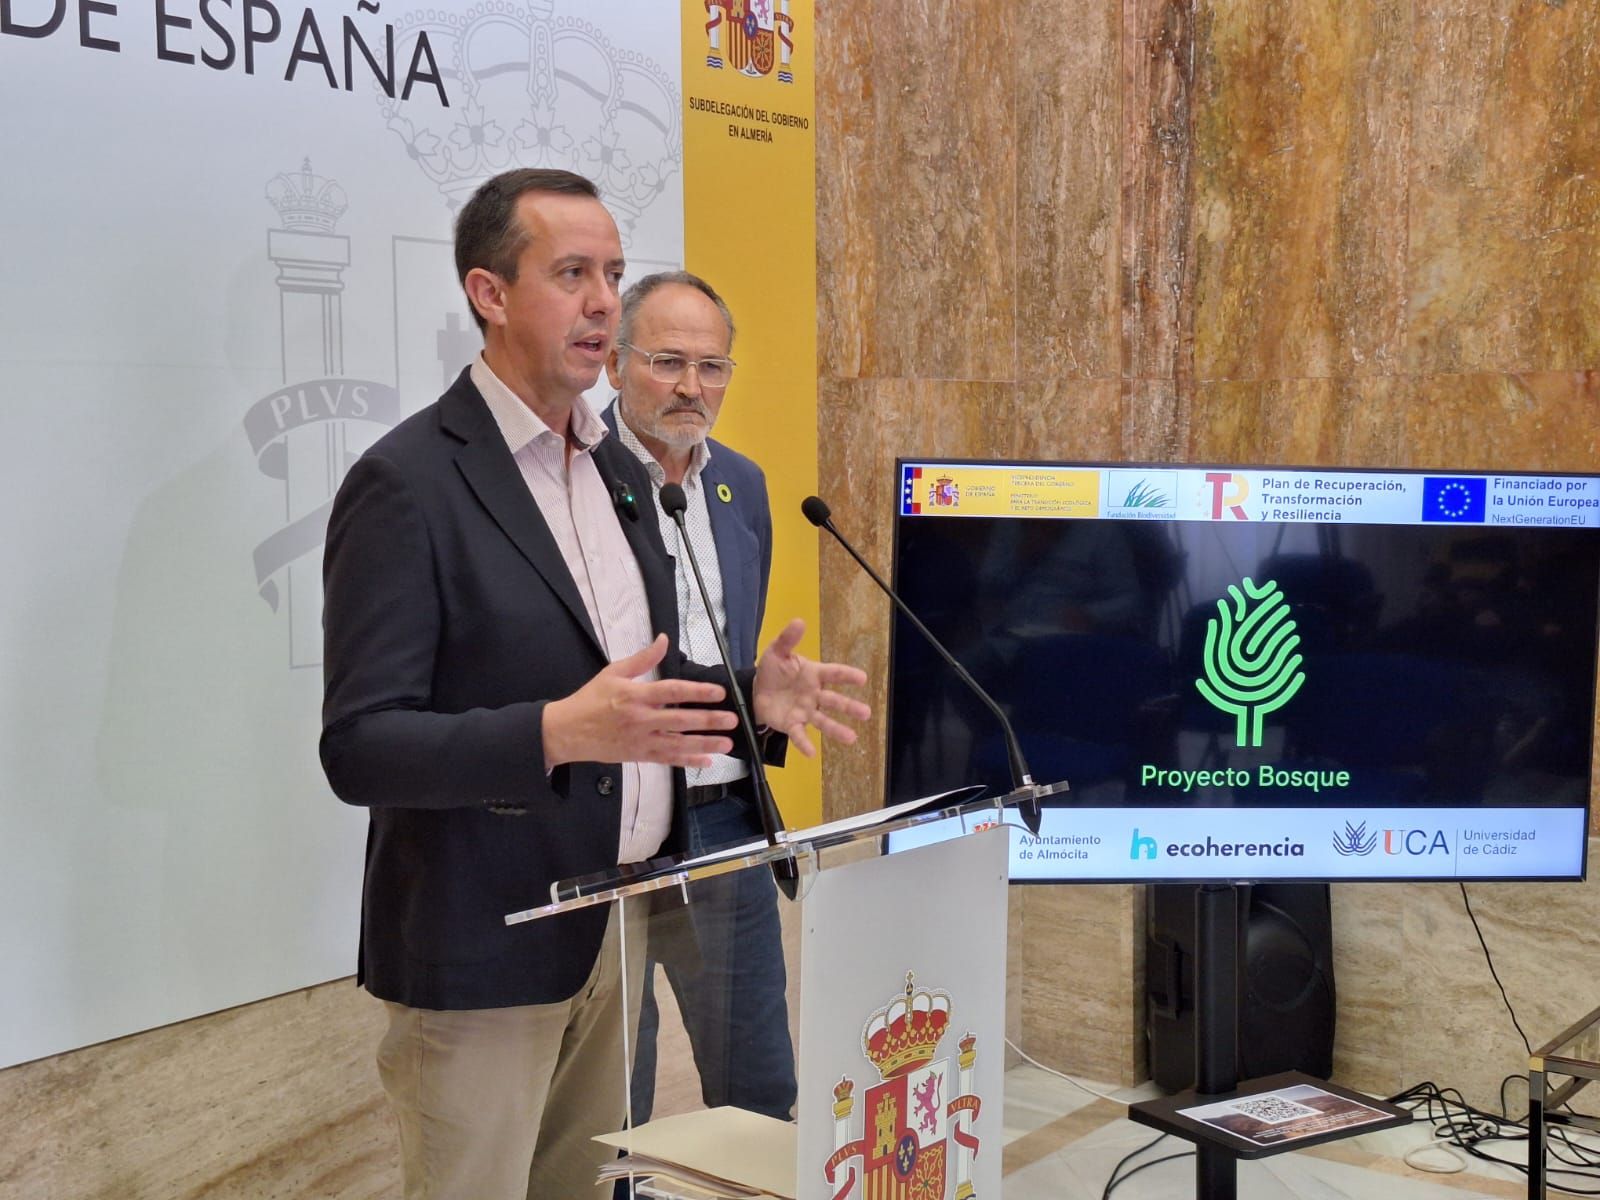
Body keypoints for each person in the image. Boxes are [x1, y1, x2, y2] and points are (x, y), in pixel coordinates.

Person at [319, 168, 868, 1200]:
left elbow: (633, 686)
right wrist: (553, 734)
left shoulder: (614, 473)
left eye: (611, 273)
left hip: (613, 928)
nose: (602, 300)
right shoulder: (408, 482)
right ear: (489, 293)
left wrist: (751, 699)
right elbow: (360, 744)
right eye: (571, 273)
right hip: (485, 948)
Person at [600, 272, 797, 1141]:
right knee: (615, 1097)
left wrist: (766, 707)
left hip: (727, 820)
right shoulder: (577, 477)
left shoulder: (741, 486)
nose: (692, 387)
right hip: (609, 827)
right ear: (613, 365)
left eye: (712, 365)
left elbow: (733, 652)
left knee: (759, 1082)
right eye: (668, 361)